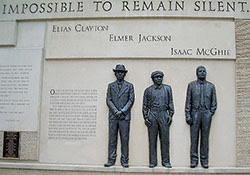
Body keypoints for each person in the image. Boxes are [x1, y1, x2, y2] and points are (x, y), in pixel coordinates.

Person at [185, 66, 217, 169]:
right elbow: (188, 101)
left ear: (206, 73)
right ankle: (194, 160)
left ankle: (204, 160)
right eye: (200, 71)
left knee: (205, 138)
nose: (202, 73)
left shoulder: (211, 86)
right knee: (194, 138)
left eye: (204, 71)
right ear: (197, 73)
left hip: (206, 113)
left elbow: (214, 102)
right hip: (195, 113)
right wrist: (188, 114)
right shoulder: (191, 85)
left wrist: (210, 112)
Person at [104, 64, 135, 168]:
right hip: (113, 116)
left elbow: (131, 100)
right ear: (115, 73)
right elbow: (108, 100)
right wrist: (116, 111)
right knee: (112, 139)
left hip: (124, 117)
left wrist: (122, 111)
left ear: (124, 74)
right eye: (118, 72)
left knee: (124, 139)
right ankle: (111, 160)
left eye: (121, 72)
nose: (120, 74)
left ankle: (124, 160)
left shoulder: (129, 86)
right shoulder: (110, 86)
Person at [142, 71, 174, 168]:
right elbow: (145, 105)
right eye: (156, 77)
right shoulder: (148, 90)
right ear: (153, 79)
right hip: (153, 114)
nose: (159, 78)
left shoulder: (167, 88)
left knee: (165, 139)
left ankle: (166, 161)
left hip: (164, 114)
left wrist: (170, 114)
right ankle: (153, 161)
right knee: (152, 139)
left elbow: (171, 102)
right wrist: (146, 117)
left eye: (160, 77)